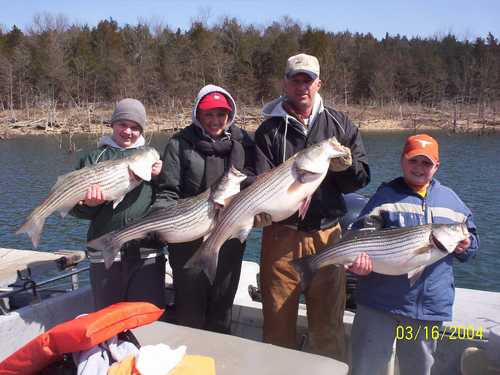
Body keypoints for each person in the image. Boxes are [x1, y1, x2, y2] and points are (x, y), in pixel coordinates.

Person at [253, 53, 370, 361]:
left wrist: (344, 166)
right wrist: (258, 212)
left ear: (319, 84)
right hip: (280, 238)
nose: (301, 86)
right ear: (285, 83)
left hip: (327, 237)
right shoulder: (269, 131)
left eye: (308, 80)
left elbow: (361, 178)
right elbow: (258, 181)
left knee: (328, 329)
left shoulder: (340, 123)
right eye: (295, 79)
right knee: (276, 329)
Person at [349, 134, 479, 375]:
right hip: (379, 304)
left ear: (437, 166)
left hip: (428, 309)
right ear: (402, 161)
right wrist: (356, 265)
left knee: (419, 369)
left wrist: (466, 245)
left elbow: (471, 239)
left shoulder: (452, 201)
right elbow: (360, 234)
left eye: (426, 163)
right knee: (365, 368)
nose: (419, 168)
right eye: (413, 161)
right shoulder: (386, 196)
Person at [155, 84, 256, 334]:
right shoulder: (179, 143)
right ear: (197, 114)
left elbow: (254, 180)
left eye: (221, 114)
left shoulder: (243, 143)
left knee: (222, 310)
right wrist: (168, 221)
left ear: (229, 114)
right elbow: (167, 191)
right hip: (188, 237)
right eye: (208, 114)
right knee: (190, 312)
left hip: (229, 238)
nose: (215, 120)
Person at [70, 98, 165, 311]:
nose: (128, 132)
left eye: (135, 127)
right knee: (106, 320)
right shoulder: (93, 158)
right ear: (113, 124)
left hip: (146, 253)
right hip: (103, 254)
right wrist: (90, 204)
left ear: (142, 130)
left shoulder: (152, 157)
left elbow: (168, 198)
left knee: (146, 318)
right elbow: (76, 209)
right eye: (123, 124)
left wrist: (161, 177)